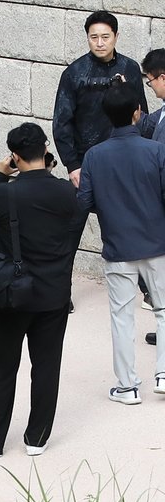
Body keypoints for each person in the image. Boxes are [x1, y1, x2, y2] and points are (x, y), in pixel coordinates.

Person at [0, 124, 86, 458]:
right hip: (53, 294)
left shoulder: (7, 192)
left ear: (15, 156)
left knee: (0, 367)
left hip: (12, 294)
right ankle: (37, 439)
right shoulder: (67, 192)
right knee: (47, 366)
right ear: (46, 150)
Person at [76, 83, 165, 405]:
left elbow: (83, 202)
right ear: (137, 113)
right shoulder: (156, 151)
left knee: (122, 317)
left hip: (118, 247)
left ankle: (127, 387)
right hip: (158, 243)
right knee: (164, 310)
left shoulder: (94, 156)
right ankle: (164, 373)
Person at [53, 10, 149, 187]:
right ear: (87, 37)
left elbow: (142, 112)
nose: (99, 43)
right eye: (93, 37)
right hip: (87, 159)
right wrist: (72, 165)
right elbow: (62, 122)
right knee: (79, 211)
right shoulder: (73, 73)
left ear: (116, 36)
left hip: (127, 157)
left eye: (105, 37)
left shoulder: (130, 67)